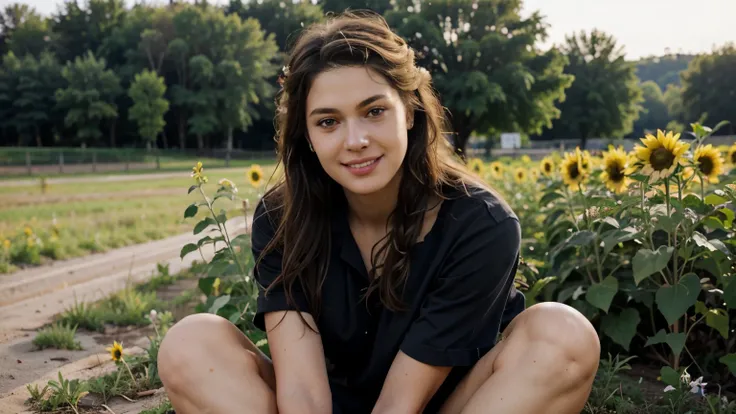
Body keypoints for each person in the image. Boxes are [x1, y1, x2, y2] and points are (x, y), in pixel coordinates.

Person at [158, 11, 600, 414]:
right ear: (307, 136)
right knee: (189, 343)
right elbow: (304, 394)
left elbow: (401, 403)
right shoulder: (281, 218)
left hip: (450, 406)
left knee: (562, 334)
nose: (355, 141)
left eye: (373, 111)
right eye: (328, 121)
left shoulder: (482, 226)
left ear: (409, 110)